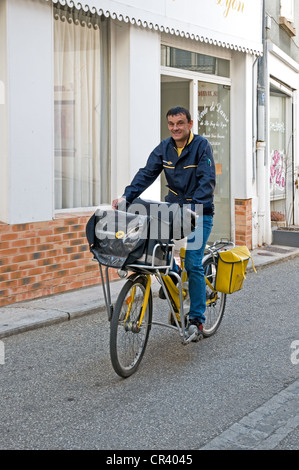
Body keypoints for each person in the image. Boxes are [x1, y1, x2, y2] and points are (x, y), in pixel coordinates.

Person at [112, 106, 216, 340]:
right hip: (172, 211)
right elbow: (146, 173)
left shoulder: (201, 146)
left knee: (193, 262)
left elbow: (207, 180)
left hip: (200, 211)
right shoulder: (164, 148)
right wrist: (126, 197)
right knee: (156, 255)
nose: (175, 128)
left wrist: (194, 207)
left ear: (190, 124)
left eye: (180, 123)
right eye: (171, 124)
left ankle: (197, 320)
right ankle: (176, 283)